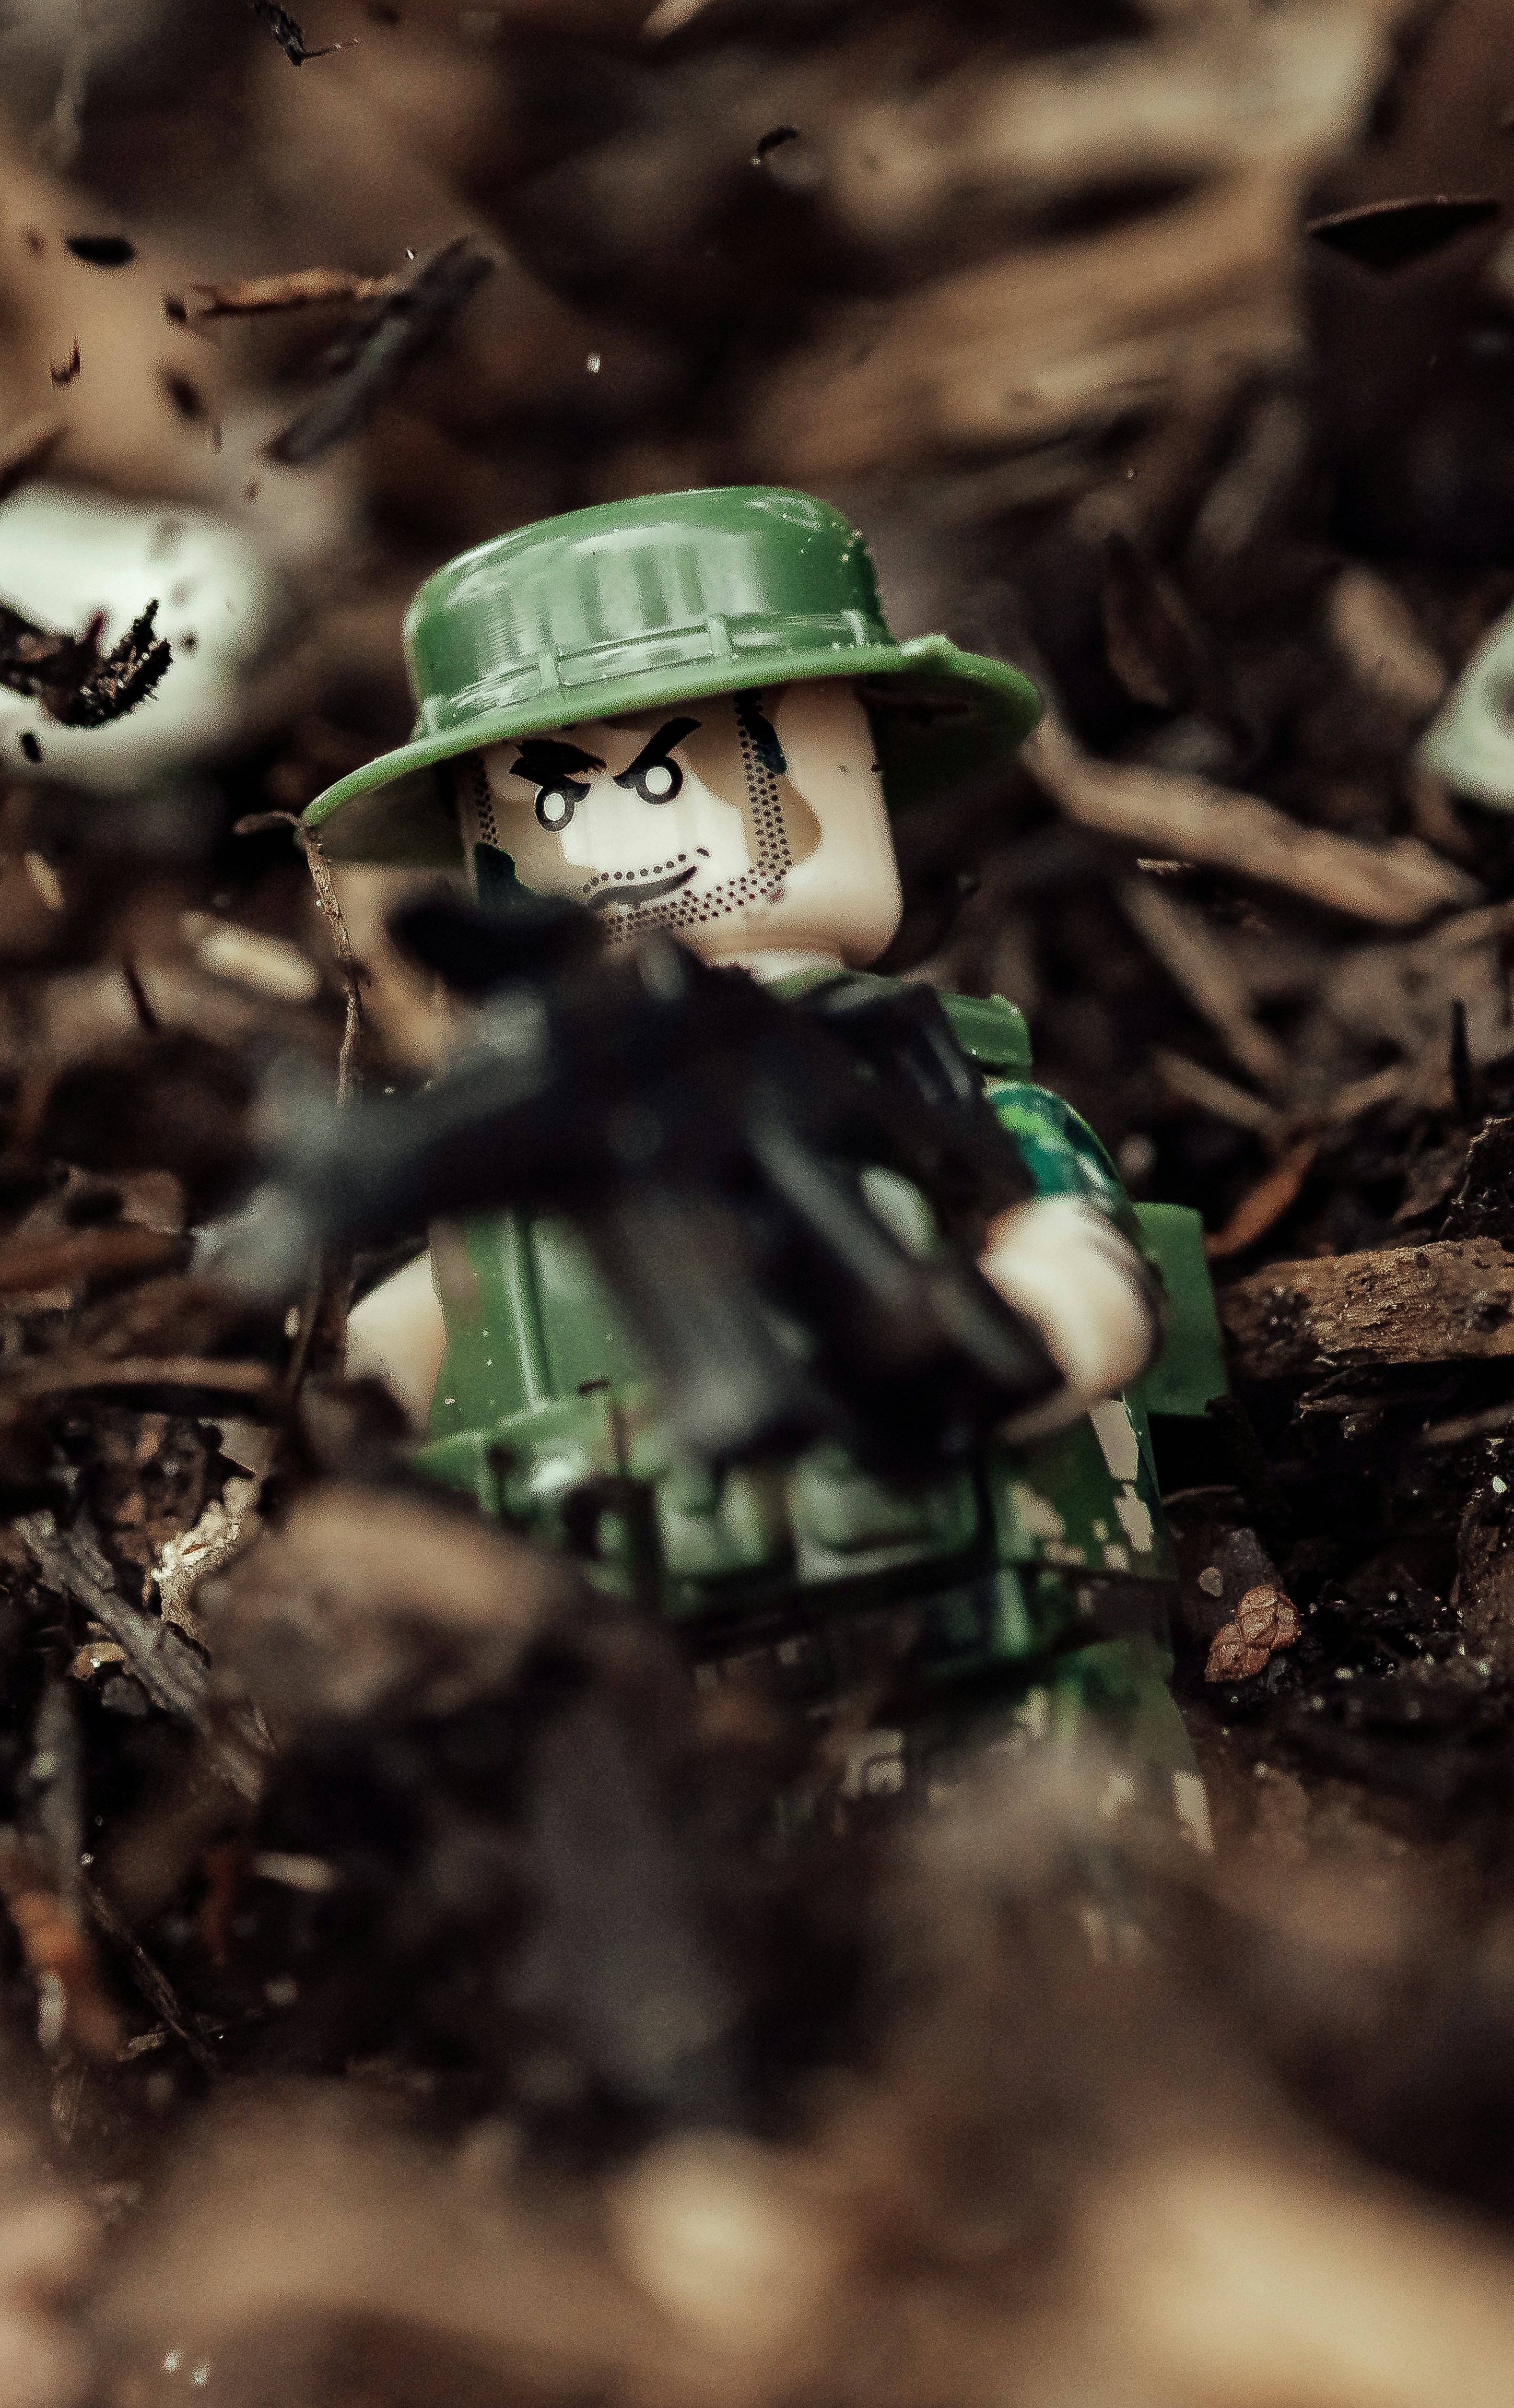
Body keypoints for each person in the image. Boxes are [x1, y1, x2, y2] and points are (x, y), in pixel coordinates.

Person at [301, 487, 1223, 1858]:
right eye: (555, 800)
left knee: (1056, 1881)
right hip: (678, 1717)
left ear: (849, 770)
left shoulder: (910, 1066)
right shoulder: (538, 1141)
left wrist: (1021, 1324)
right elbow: (431, 1340)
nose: (616, 840)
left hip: (983, 1623)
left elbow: (1073, 1244)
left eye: (668, 776)